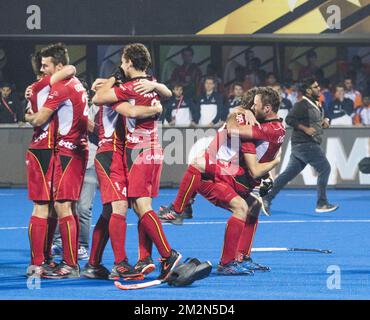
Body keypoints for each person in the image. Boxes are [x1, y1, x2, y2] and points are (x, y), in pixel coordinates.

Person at [159, 87, 284, 274]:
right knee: (202, 168)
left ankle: (241, 256)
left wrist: (239, 112)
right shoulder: (252, 126)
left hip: (225, 173)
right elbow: (256, 167)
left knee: (253, 206)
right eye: (253, 106)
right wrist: (275, 163)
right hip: (223, 173)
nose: (254, 109)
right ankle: (179, 210)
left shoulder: (252, 123)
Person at [91, 43, 182, 281]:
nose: (120, 66)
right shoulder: (150, 84)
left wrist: (115, 90)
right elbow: (167, 93)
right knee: (129, 206)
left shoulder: (128, 88)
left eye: (123, 61)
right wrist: (157, 99)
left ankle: (166, 255)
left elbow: (100, 98)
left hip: (135, 151)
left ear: (129, 63)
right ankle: (143, 258)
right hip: (150, 149)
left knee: (137, 207)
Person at [25, 43, 89, 279]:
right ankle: (57, 261)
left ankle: (59, 264)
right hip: (70, 150)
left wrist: (28, 115)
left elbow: (38, 117)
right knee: (59, 207)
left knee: (57, 207)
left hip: (63, 151)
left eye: (46, 66)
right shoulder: (75, 83)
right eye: (40, 66)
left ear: (59, 67)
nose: (42, 71)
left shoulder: (56, 87)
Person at [262, 78, 338, 214]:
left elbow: (326, 113)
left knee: (287, 175)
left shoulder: (317, 102)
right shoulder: (302, 104)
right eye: (315, 87)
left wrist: (327, 120)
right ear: (308, 91)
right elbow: (289, 119)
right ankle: (321, 203)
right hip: (305, 143)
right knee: (325, 168)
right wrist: (305, 129)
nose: (319, 88)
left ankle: (266, 198)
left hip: (301, 145)